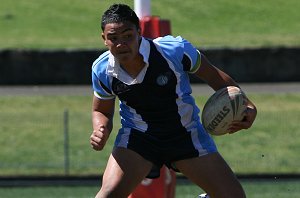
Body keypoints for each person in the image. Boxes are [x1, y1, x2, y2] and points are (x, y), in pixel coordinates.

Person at [90, 3, 257, 198]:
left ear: (139, 32)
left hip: (185, 134)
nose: (121, 44)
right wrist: (100, 128)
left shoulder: (174, 50)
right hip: (138, 139)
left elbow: (215, 77)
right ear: (104, 39)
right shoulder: (101, 69)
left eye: (128, 36)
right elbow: (101, 110)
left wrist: (246, 104)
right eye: (113, 38)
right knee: (107, 196)